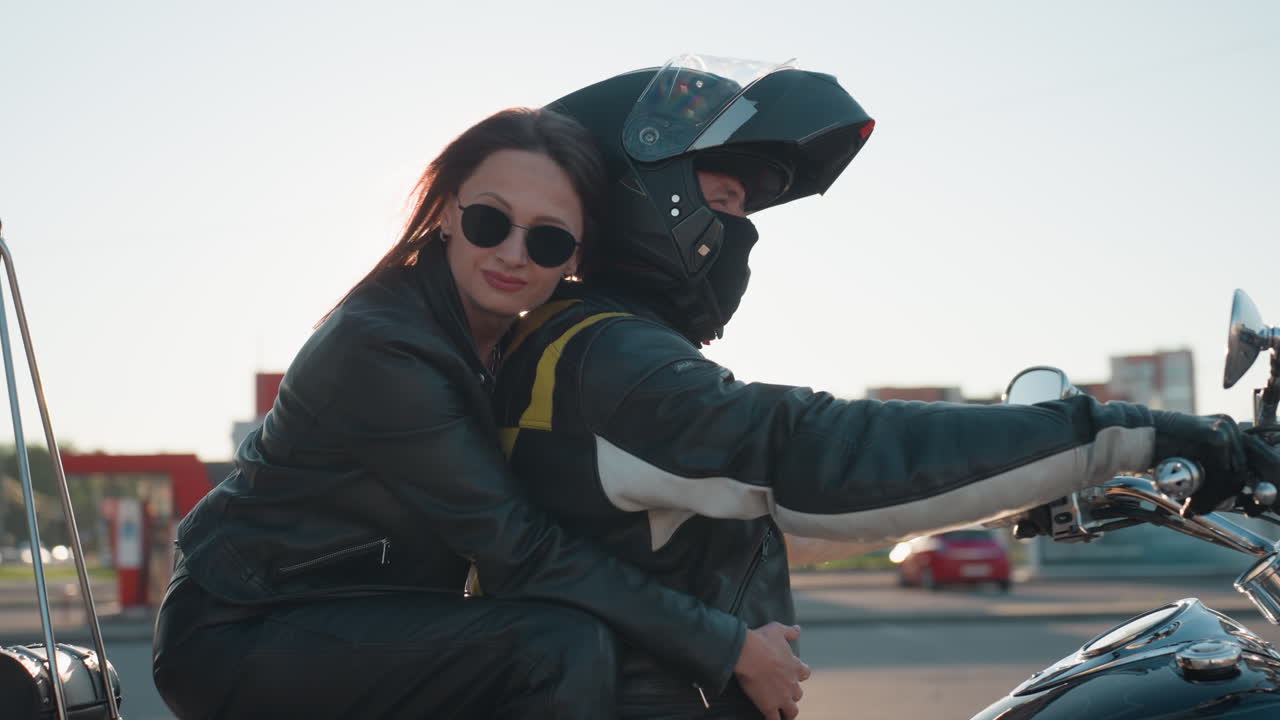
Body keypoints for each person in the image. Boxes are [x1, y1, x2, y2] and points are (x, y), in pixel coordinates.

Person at [491, 54, 1280, 719]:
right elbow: (815, 457)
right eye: (724, 201)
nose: (742, 231)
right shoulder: (610, 359)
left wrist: (1012, 493)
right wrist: (1138, 434)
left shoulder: (571, 344)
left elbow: (745, 519)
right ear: (639, 196)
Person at [151, 107, 810, 720]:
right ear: (444, 211)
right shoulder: (385, 349)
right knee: (558, 648)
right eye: (489, 222)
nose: (513, 253)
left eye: (549, 240)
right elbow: (520, 551)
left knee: (608, 640)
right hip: (242, 630)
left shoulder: (515, 346)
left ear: (578, 256)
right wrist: (732, 648)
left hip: (361, 614)